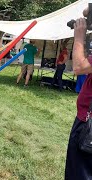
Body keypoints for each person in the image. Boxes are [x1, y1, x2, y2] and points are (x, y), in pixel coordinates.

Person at [64, 8, 92, 179]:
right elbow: (86, 9)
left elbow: (79, 67)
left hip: (88, 124)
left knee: (79, 174)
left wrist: (79, 36)